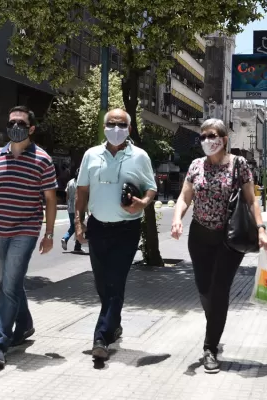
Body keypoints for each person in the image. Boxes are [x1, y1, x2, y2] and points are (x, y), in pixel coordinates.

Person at [171, 118, 267, 374]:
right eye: (203, 136)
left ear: (224, 138)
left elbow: (251, 201)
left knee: (219, 290)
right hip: (199, 237)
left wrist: (261, 229)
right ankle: (215, 324)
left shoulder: (239, 165)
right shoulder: (196, 166)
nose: (207, 140)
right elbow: (184, 197)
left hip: (229, 239)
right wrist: (176, 220)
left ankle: (210, 347)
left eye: (212, 135)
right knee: (204, 290)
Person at [0, 106, 58, 368]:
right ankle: (25, 325)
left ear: (31, 128)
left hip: (26, 231)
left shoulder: (42, 159)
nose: (15, 126)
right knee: (11, 282)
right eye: (11, 122)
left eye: (20, 122)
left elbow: (50, 200)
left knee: (7, 287)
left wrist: (48, 233)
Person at [74, 108, 158, 360]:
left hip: (127, 228)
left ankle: (100, 338)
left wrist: (142, 203)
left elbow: (151, 189)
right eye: (111, 124)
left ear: (129, 129)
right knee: (102, 283)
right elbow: (81, 191)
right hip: (98, 227)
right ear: (104, 126)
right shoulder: (91, 155)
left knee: (115, 282)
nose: (116, 129)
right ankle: (114, 323)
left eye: (121, 125)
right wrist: (78, 223)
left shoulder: (140, 156)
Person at [61, 168, 83, 252]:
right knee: (79, 226)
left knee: (73, 226)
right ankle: (77, 246)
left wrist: (68, 205)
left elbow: (67, 196)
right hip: (78, 208)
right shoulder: (81, 183)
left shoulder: (70, 182)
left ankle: (68, 240)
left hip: (70, 207)